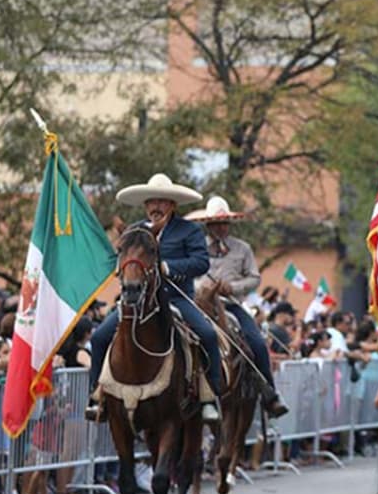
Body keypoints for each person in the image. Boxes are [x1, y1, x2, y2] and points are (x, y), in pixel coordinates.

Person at [85, 173, 222, 424]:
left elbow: (201, 262)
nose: (155, 206)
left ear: (173, 204)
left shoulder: (189, 230)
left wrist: (168, 268)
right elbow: (122, 257)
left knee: (207, 334)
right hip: (138, 301)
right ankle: (97, 396)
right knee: (99, 337)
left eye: (161, 201)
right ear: (145, 205)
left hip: (176, 298)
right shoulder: (134, 231)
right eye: (151, 202)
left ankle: (209, 398)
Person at [186, 195, 288, 418]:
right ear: (207, 224)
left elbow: (254, 278)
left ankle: (270, 394)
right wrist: (202, 287)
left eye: (224, 223)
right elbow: (188, 274)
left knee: (256, 342)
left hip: (231, 305)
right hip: (199, 306)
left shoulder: (243, 249)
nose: (220, 227)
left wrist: (232, 287)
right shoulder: (195, 248)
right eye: (216, 223)